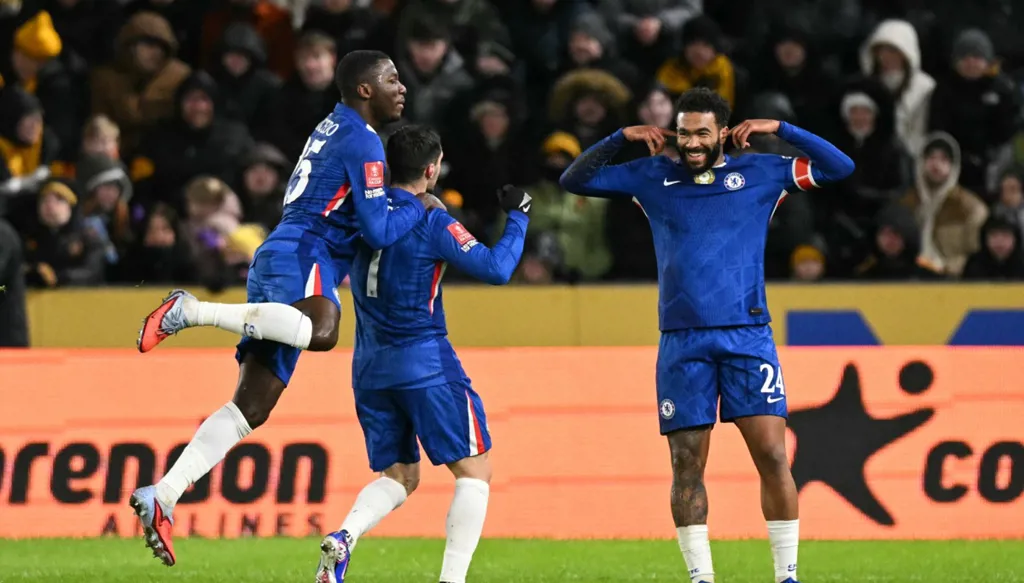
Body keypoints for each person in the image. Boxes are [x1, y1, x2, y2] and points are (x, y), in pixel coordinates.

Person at [128, 50, 440, 567]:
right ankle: (192, 311)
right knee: (324, 330)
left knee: (251, 408)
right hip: (305, 253)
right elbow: (379, 230)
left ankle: (164, 492)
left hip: (281, 251)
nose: (401, 86)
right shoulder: (364, 140)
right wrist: (415, 201)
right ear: (364, 89)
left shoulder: (334, 126)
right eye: (391, 78)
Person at [559, 87, 854, 583]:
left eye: (702, 133)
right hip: (683, 341)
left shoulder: (762, 172)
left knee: (772, 455)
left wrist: (780, 129)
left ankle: (787, 575)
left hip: (748, 335)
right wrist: (621, 136)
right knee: (686, 464)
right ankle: (701, 578)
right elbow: (575, 179)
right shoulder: (651, 176)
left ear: (723, 133)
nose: (692, 143)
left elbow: (840, 167)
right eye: (684, 133)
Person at [315, 125, 531, 583]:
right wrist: (519, 216)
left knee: (400, 476)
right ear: (431, 169)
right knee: (474, 471)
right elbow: (496, 269)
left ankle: (344, 537)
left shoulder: (360, 214)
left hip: (369, 369)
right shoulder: (433, 221)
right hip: (425, 363)